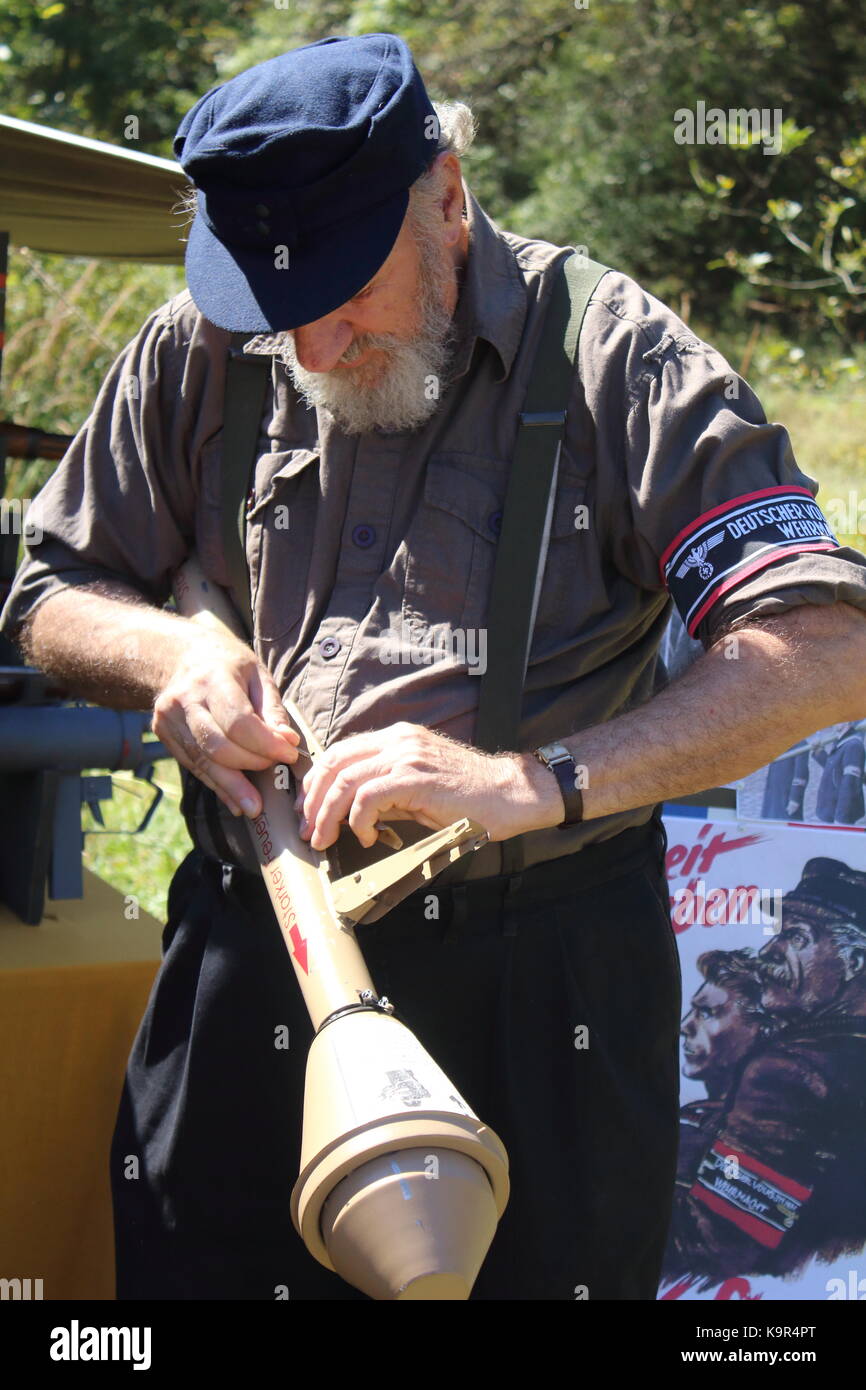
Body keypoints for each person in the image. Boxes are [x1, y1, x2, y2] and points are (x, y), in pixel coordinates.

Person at [2, 34, 866, 1301]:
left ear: (447, 196)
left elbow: (824, 650)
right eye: (271, 306)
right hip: (255, 958)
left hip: (539, 984)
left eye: (347, 290)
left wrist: (542, 777)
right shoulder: (198, 345)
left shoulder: (615, 358)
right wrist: (168, 652)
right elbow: (46, 590)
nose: (306, 345)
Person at [664, 859, 866, 1286]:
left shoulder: (790, 1070)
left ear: (855, 960)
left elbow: (714, 1245)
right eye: (778, 932)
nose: (769, 951)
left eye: (796, 937)